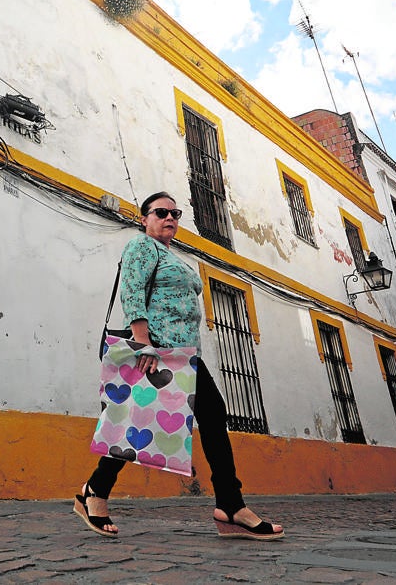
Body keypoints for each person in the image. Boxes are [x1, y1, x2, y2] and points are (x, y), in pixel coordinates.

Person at [73, 191, 285, 540]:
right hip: (157, 351)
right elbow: (132, 291)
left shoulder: (173, 256)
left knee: (170, 418)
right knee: (138, 420)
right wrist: (144, 343)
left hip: (184, 356)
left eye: (175, 213)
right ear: (144, 218)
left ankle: (97, 489)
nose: (170, 217)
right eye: (161, 212)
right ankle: (229, 505)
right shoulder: (142, 246)